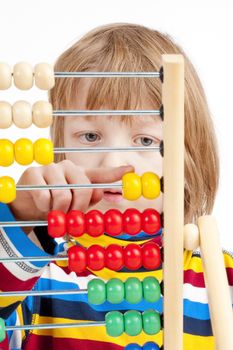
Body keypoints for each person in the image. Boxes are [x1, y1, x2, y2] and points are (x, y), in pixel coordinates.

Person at [0, 22, 232, 350]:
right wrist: (17, 221)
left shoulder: (220, 280)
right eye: (90, 136)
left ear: (187, 155)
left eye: (146, 139)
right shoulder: (37, 279)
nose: (112, 161)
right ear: (60, 149)